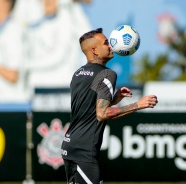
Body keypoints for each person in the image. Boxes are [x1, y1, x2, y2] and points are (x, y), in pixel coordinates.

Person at [61, 28, 158, 184]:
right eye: (106, 43)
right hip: (84, 151)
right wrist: (138, 105)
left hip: (69, 145)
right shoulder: (107, 74)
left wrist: (115, 98)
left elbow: (90, 109)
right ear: (94, 50)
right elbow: (102, 114)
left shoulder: (78, 73)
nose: (111, 46)